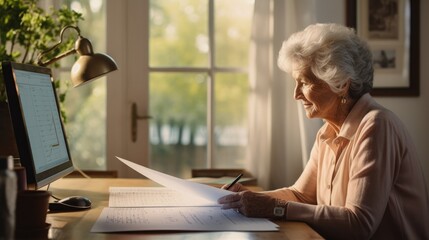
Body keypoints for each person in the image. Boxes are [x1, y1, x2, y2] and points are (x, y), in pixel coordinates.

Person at [218, 23, 429, 239]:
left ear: (341, 84)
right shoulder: (328, 131)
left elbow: (359, 225)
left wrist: (275, 207)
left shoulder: (377, 126)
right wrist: (248, 198)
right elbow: (301, 195)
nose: (296, 94)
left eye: (305, 82)